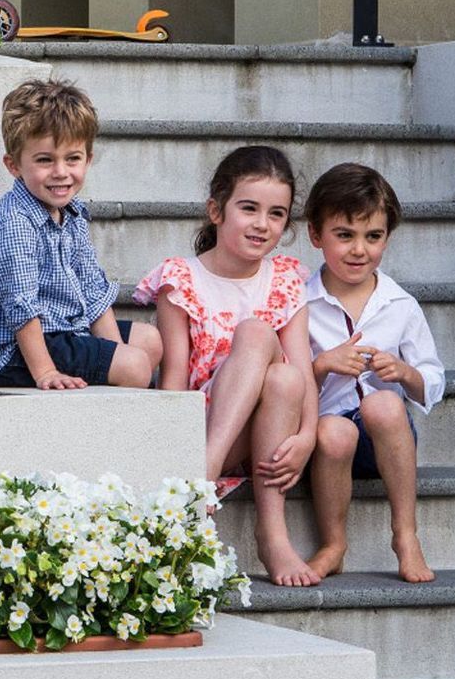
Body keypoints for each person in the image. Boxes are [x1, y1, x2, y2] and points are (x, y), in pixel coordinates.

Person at [134, 145, 321, 587]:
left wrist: (308, 436)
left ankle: (270, 533)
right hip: (200, 430)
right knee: (257, 334)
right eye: (249, 208)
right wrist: (175, 450)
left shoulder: (285, 280)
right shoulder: (181, 280)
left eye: (276, 214)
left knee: (283, 375)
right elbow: (174, 381)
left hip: (267, 428)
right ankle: (204, 470)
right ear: (216, 210)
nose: (262, 224)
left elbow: (304, 371)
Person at [302, 162, 445, 583]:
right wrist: (322, 366)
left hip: (386, 440)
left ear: (387, 238)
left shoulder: (400, 305)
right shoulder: (301, 303)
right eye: (344, 235)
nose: (359, 250)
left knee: (383, 403)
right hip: (327, 445)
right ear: (316, 235)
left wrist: (403, 372)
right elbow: (287, 386)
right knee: (334, 430)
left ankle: (406, 535)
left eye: (373, 236)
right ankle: (333, 544)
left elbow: (432, 381)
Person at [0, 78, 162, 390]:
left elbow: (92, 291)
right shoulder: (15, 223)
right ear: (14, 165)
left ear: (88, 159)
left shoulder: (72, 214)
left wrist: (114, 351)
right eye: (45, 160)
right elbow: (21, 306)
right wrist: (46, 372)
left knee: (149, 341)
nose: (61, 172)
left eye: (72, 158)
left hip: (67, 328)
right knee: (135, 366)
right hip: (20, 354)